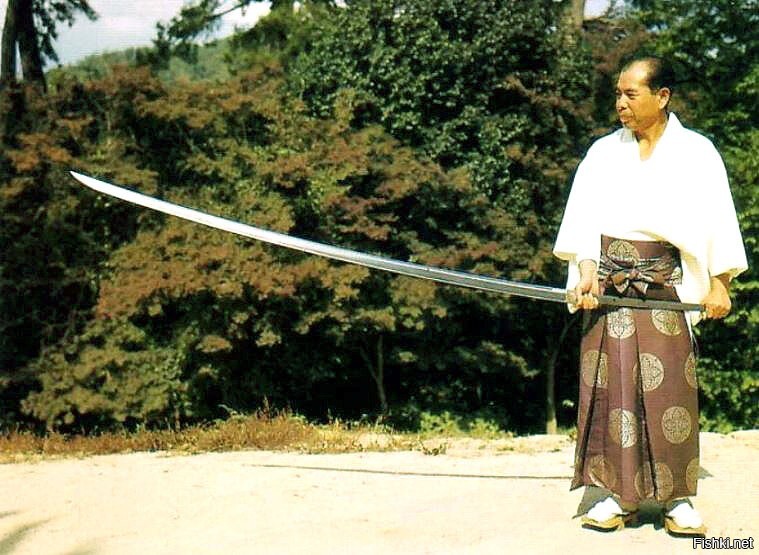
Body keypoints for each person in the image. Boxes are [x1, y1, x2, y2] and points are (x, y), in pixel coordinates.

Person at [553, 55, 748, 537]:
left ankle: (676, 498)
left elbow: (719, 219)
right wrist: (586, 272)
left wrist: (720, 283)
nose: (620, 103)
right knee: (612, 389)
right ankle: (615, 494)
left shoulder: (698, 152)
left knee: (671, 393)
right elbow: (582, 220)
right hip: (608, 284)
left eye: (630, 94)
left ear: (662, 97)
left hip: (665, 285)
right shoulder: (602, 153)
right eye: (617, 94)